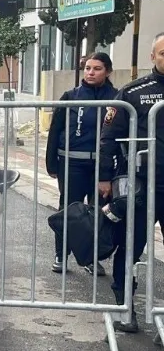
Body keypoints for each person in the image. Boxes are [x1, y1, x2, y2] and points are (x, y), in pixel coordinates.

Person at [98, 32, 164, 333]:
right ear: (153, 57)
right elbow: (109, 138)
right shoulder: (133, 92)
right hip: (141, 186)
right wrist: (104, 178)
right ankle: (125, 306)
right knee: (130, 246)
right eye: (163, 53)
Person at [46, 52, 116, 275]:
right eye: (87, 68)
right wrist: (51, 164)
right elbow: (55, 130)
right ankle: (61, 254)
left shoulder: (117, 97)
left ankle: (89, 258)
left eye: (97, 68)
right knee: (69, 210)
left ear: (107, 71)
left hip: (103, 168)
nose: (91, 72)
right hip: (72, 165)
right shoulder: (71, 96)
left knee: (97, 214)